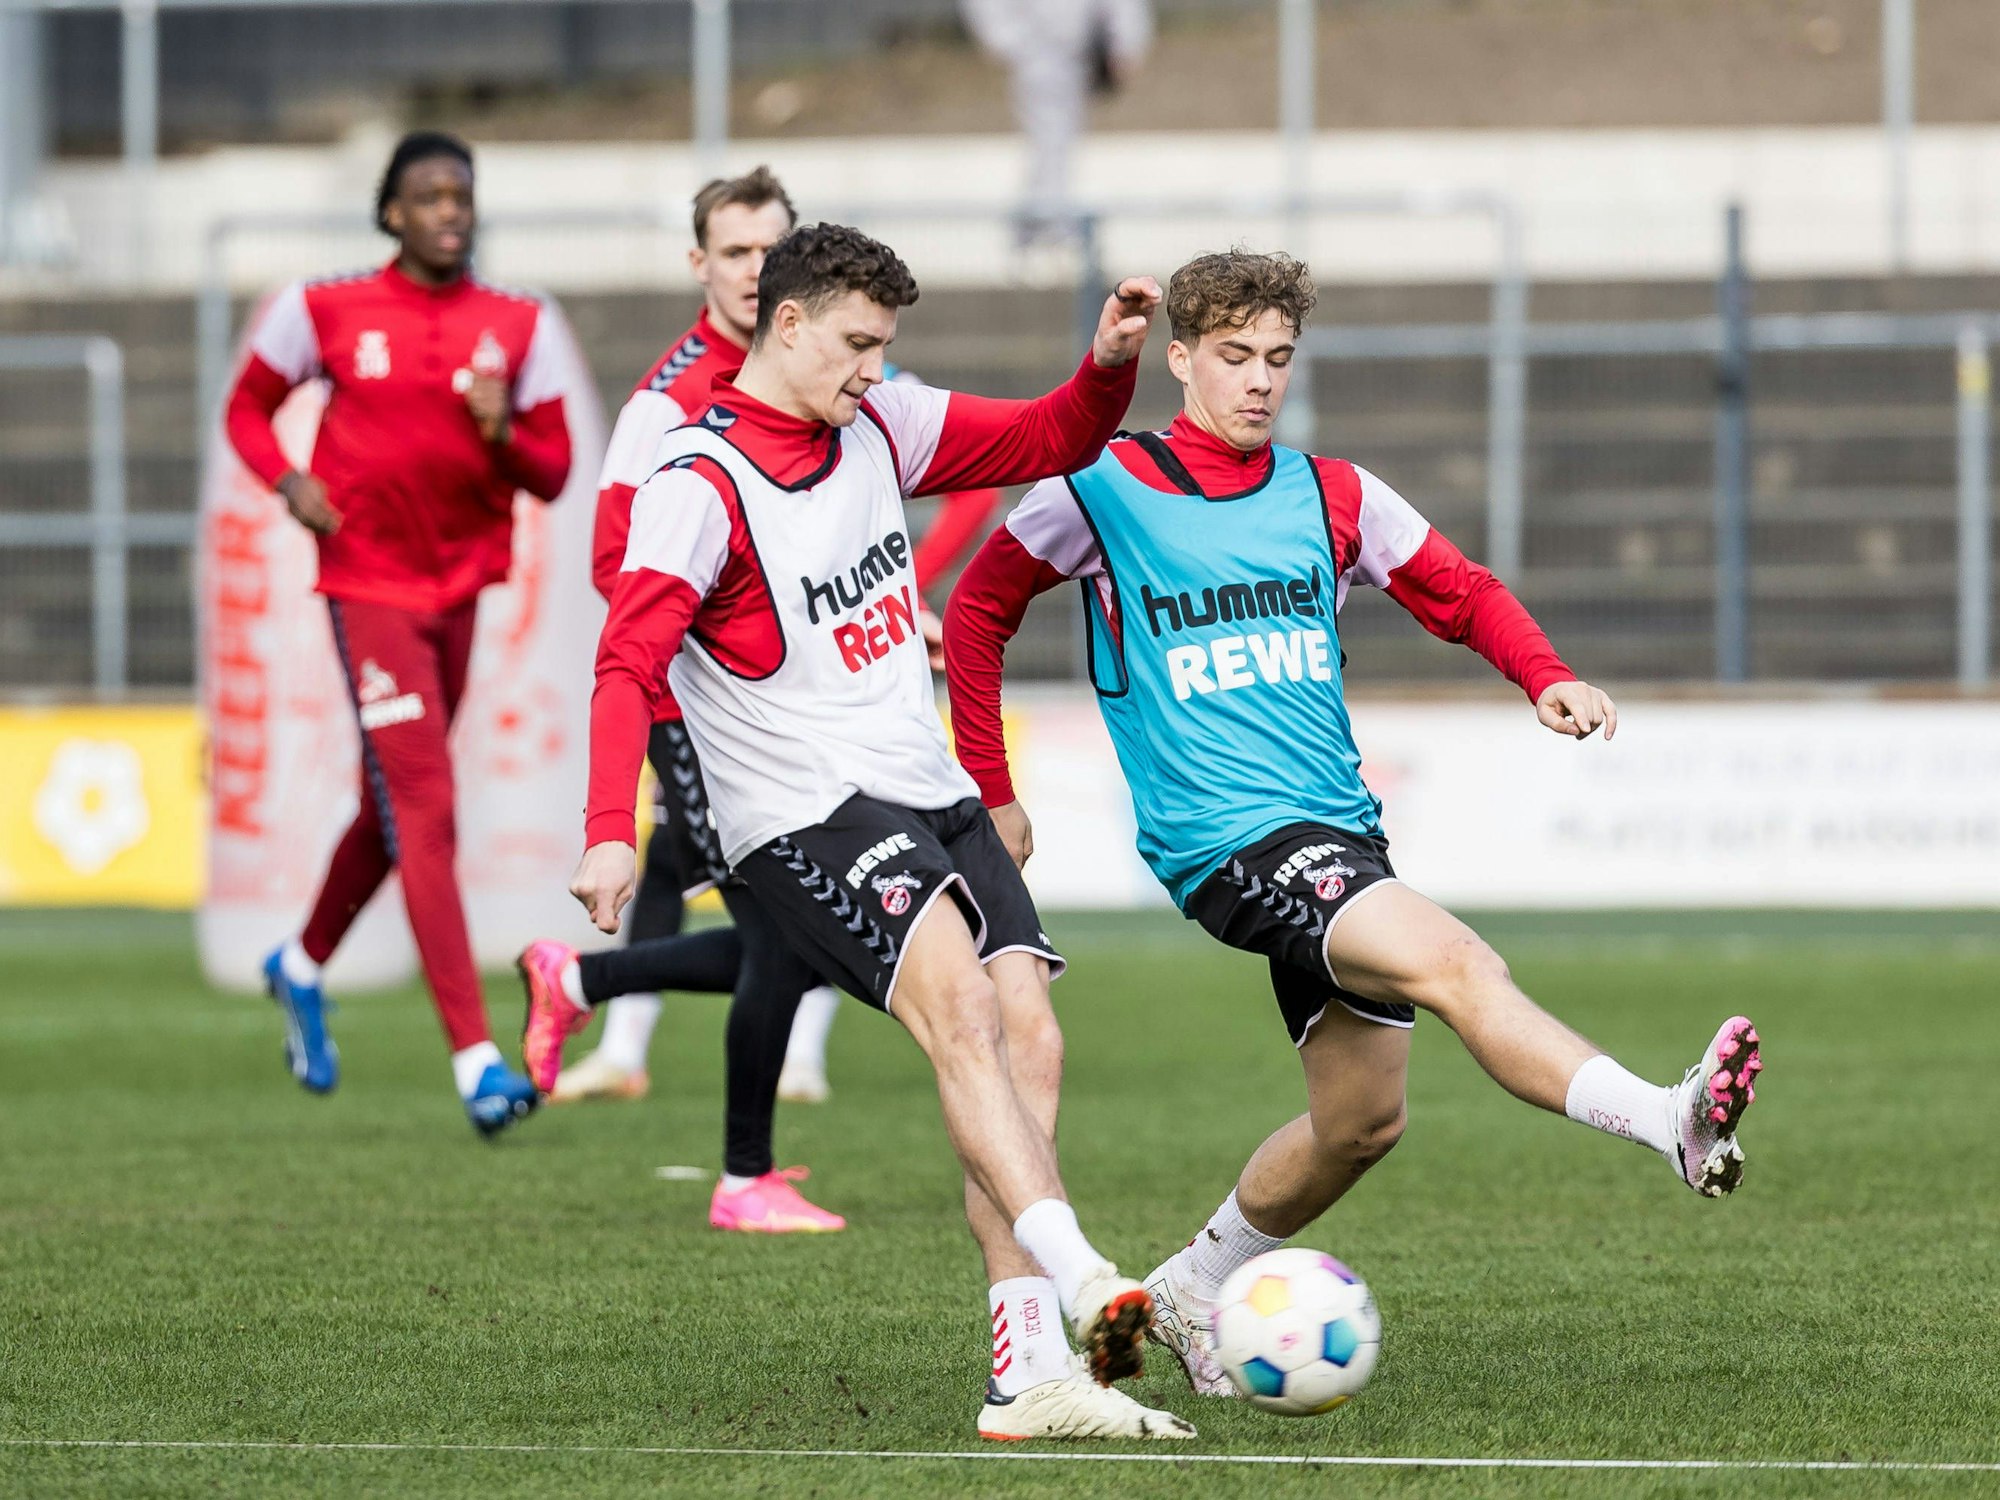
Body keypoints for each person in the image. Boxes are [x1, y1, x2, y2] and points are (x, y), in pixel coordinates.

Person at [943, 250, 1764, 1399]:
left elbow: (1457, 589)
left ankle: (1189, 1286)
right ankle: (1666, 1120)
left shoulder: (1331, 493)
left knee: (1360, 1122)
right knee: (1456, 962)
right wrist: (992, 787)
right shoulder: (1100, 487)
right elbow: (974, 609)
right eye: (1233, 356)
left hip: (1336, 834)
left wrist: (1543, 674)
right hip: (1225, 842)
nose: (1258, 381)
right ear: (1178, 358)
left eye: (1277, 359)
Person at [549, 221, 1195, 1440]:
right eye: (855, 342)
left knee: (1030, 1034)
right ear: (785, 322)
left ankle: (1024, 1374)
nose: (873, 367)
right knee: (959, 1010)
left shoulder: (879, 421)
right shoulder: (696, 483)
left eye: (883, 345)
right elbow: (625, 659)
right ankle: (1085, 1283)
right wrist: (606, 828)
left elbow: (1049, 437)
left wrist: (1107, 366)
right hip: (800, 809)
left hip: (921, 784)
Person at [544, 167, 1001, 1116]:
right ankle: (724, 1129)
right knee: (778, 918)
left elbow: (975, 479)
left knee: (768, 911)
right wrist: (733, 652)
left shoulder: (854, 372)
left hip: (831, 702)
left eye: (770, 248)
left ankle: (596, 1002)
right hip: (706, 703)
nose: (754, 268)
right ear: (699, 264)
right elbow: (615, 568)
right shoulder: (665, 405)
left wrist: (901, 592)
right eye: (735, 251)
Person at [224, 131, 571, 1136]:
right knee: (423, 800)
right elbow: (247, 410)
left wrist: (503, 429)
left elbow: (551, 472)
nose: (450, 210)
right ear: (391, 213)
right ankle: (476, 1062)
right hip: (366, 583)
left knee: (392, 805)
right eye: (429, 196)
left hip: (459, 587)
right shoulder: (322, 309)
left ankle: (298, 966)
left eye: (461, 194)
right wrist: (289, 482)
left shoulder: (520, 323)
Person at [961, 0, 1153, 251]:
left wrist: (1125, 42)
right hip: (1037, 58)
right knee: (1049, 142)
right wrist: (1015, 44)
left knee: (1060, 144)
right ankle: (1043, 227)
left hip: (1079, 58)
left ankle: (1048, 225)